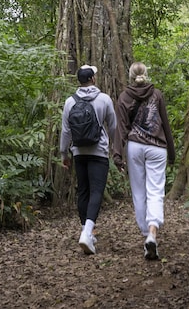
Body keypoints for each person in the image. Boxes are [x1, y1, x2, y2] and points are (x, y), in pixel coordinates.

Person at [113, 61, 175, 260]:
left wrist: (117, 155)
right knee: (155, 191)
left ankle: (146, 235)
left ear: (131, 76)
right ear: (146, 74)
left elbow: (121, 128)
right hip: (158, 148)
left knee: (139, 193)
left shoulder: (124, 97)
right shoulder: (156, 94)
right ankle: (152, 232)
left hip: (135, 147)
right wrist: (172, 152)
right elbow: (165, 124)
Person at [59, 64, 117, 255]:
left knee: (83, 191)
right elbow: (113, 126)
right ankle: (87, 233)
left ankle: (86, 230)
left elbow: (66, 131)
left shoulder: (70, 102)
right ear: (92, 79)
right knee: (96, 191)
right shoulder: (104, 99)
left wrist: (64, 154)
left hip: (79, 152)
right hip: (98, 152)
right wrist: (116, 149)